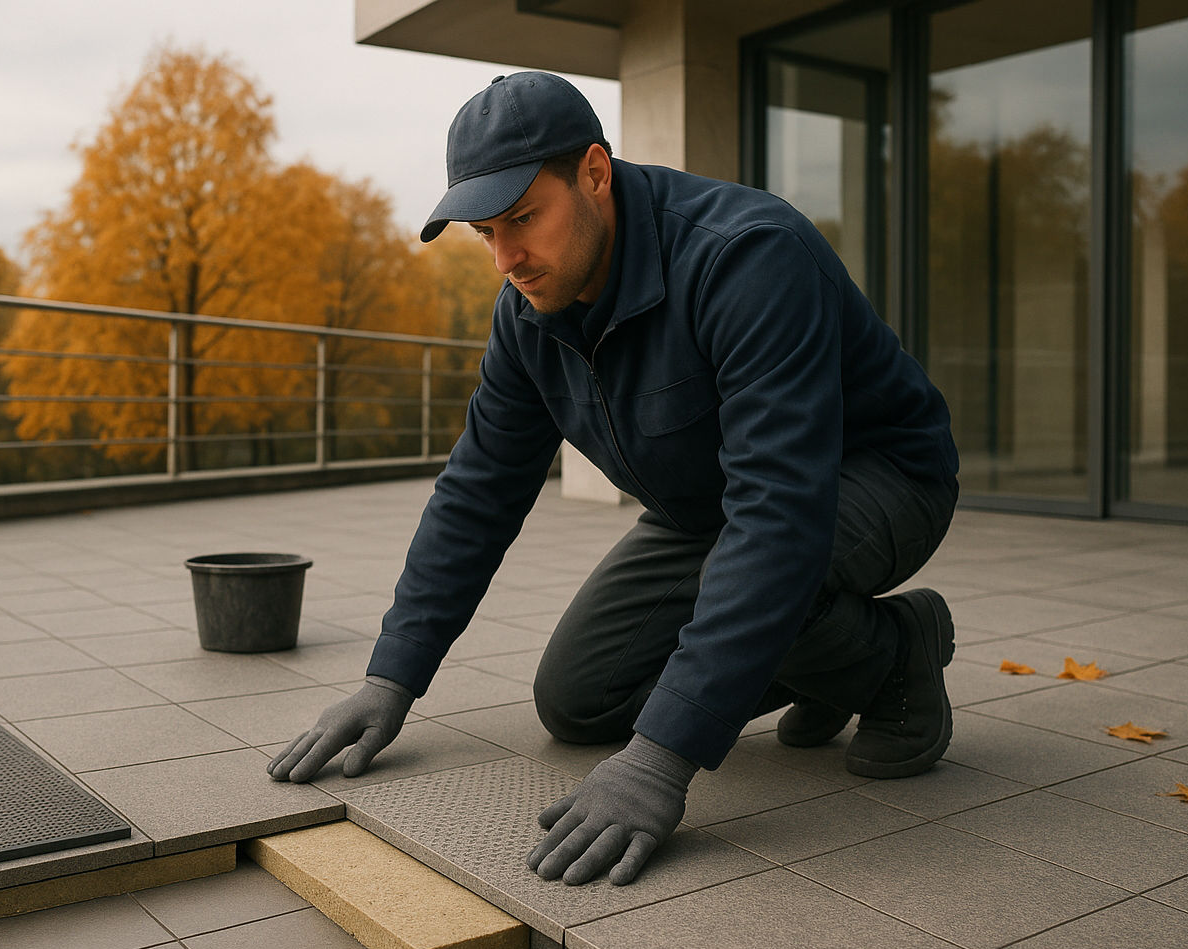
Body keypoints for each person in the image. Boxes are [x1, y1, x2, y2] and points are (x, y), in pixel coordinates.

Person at [268, 71, 959, 888]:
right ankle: (836, 658)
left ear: (594, 172)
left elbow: (778, 520)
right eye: (484, 231)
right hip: (704, 512)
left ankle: (895, 657)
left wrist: (661, 762)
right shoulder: (527, 311)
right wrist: (392, 675)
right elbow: (478, 490)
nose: (505, 258)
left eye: (523, 219)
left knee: (759, 580)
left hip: (873, 477)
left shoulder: (747, 258)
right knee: (580, 701)